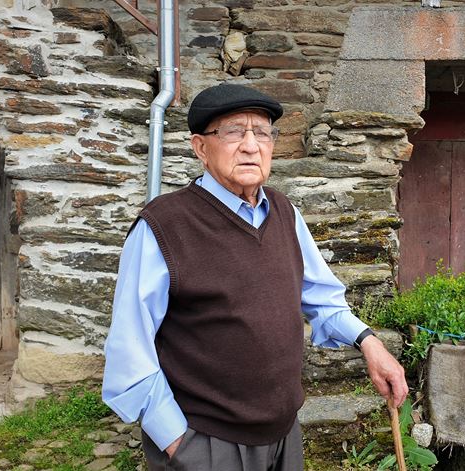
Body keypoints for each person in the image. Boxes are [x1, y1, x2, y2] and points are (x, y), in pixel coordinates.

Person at [102, 83, 408, 471]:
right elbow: (130, 348)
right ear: (200, 147)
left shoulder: (285, 213)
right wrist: (179, 444)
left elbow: (322, 299)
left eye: (261, 132)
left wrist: (369, 343)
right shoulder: (163, 225)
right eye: (233, 132)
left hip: (283, 435)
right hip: (206, 443)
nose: (251, 145)